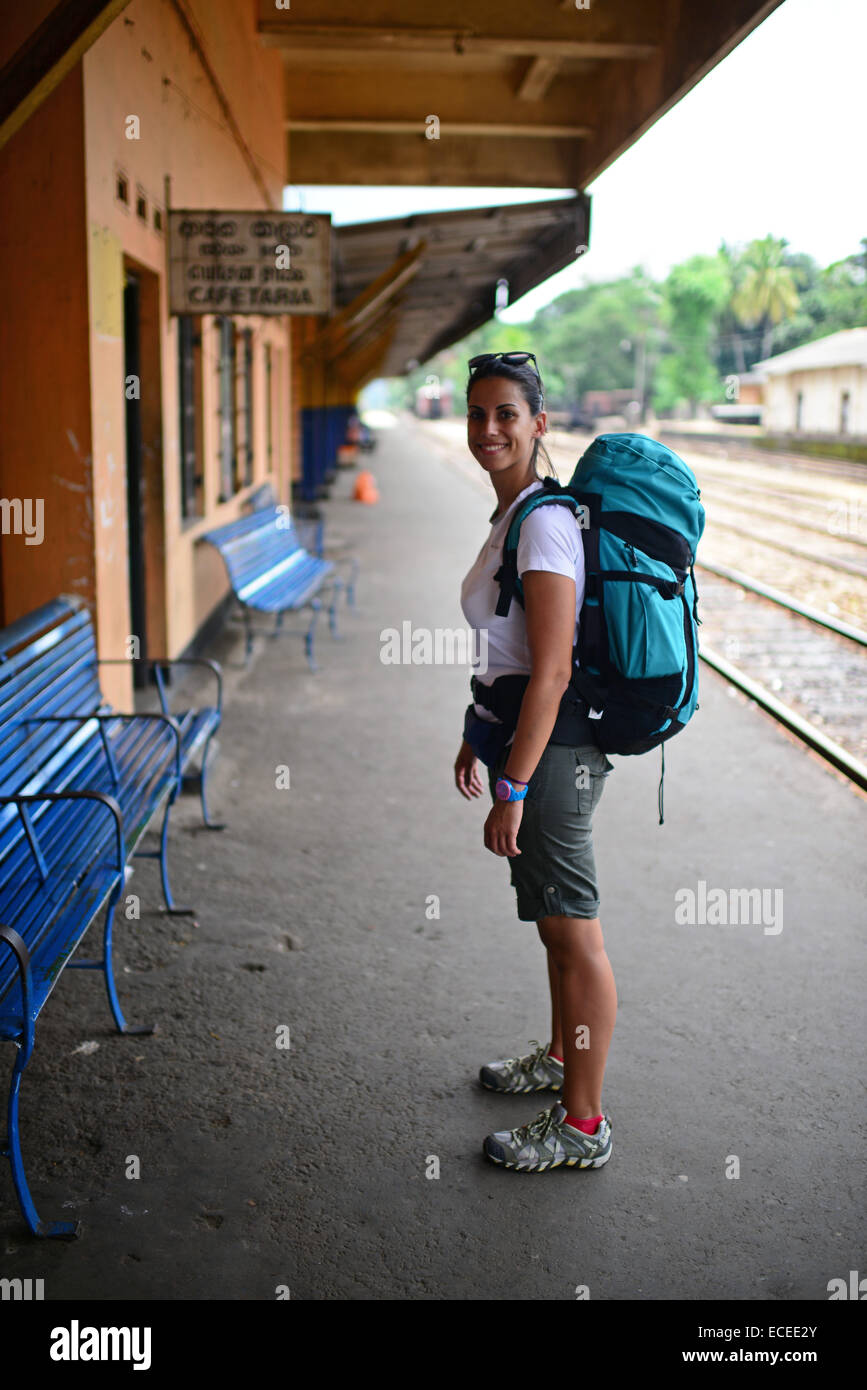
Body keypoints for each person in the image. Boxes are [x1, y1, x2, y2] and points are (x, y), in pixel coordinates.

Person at [455, 351, 617, 1173]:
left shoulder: (545, 523)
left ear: (538, 424)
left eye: (505, 415)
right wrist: (474, 730)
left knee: (573, 931)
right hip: (525, 741)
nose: (488, 429)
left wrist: (512, 785)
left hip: (552, 754)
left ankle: (582, 1125)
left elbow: (550, 671)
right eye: (477, 413)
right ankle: (559, 1059)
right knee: (554, 927)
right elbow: (507, 646)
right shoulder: (511, 513)